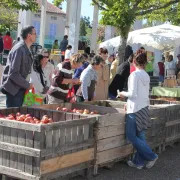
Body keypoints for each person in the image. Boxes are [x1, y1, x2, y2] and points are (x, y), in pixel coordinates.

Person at [118, 52, 158, 170]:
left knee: (131, 135)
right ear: (145, 63)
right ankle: (138, 162)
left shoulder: (134, 75)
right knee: (140, 136)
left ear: (134, 62)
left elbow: (132, 94)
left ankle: (152, 156)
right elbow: (141, 93)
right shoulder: (146, 75)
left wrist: (121, 93)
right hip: (144, 107)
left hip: (135, 108)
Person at [1, 26, 36, 107]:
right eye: (35, 33)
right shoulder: (19, 49)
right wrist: (27, 85)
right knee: (12, 117)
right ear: (29, 35)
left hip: (19, 89)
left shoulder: (26, 48)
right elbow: (13, 74)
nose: (36, 36)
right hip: (14, 91)